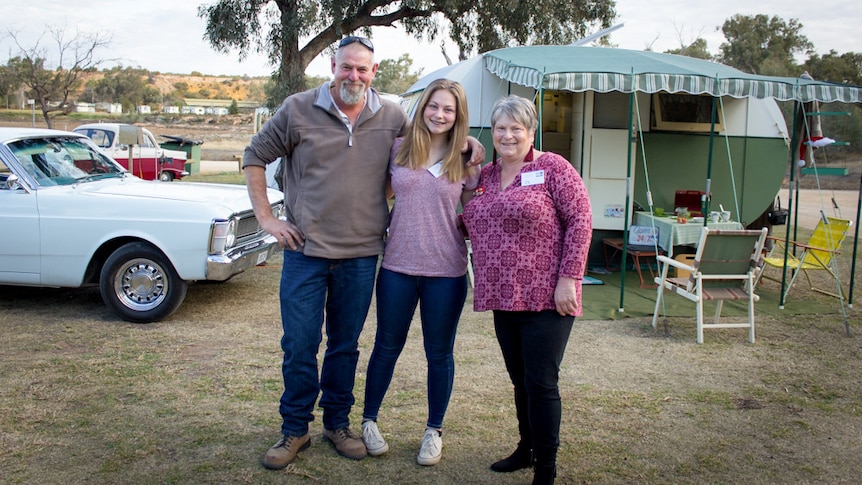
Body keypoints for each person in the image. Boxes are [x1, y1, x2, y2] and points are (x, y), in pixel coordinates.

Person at [241, 36, 485, 470]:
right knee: (300, 344)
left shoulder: (391, 116)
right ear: (333, 66)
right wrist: (267, 219)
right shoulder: (297, 109)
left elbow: (435, 139)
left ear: (375, 72)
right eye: (346, 67)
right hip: (306, 251)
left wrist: (471, 146)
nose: (354, 75)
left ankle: (338, 424)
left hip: (360, 256)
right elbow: (255, 155)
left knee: (345, 346)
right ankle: (295, 429)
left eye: (362, 69)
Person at [461, 95, 592, 485]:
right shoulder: (485, 175)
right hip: (505, 296)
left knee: (540, 380)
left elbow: (582, 220)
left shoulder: (552, 167)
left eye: (517, 128)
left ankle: (546, 469)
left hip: (547, 296)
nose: (508, 135)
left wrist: (569, 279)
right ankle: (526, 447)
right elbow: (470, 220)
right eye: (501, 127)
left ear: (531, 131)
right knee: (519, 379)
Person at [360, 79, 478, 466]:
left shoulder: (468, 160)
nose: (439, 115)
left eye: (448, 110)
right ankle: (369, 421)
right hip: (397, 267)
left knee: (439, 353)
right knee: (386, 347)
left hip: (446, 272)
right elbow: (376, 192)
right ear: (423, 106)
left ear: (458, 116)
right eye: (434, 106)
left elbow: (478, 210)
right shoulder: (399, 149)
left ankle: (434, 430)